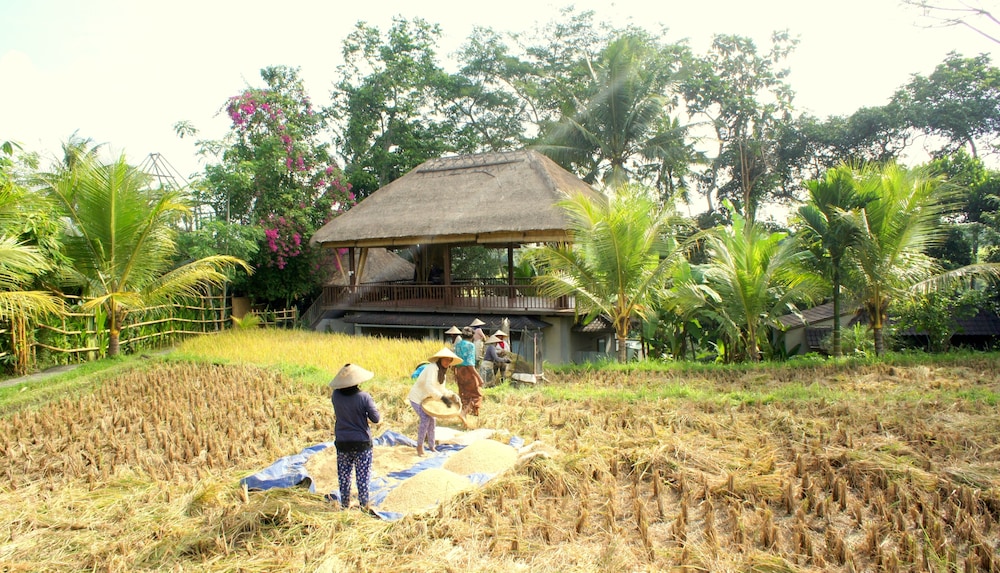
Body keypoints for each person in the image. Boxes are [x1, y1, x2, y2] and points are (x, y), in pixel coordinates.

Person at [328, 363, 381, 512]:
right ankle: (364, 505)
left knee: (344, 476)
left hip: (342, 442)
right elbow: (376, 418)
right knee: (362, 477)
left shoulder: (336, 396)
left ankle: (345, 504)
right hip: (361, 443)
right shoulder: (364, 397)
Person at [407, 348, 462, 456]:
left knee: (433, 421)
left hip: (428, 400)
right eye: (445, 360)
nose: (447, 362)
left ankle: (431, 446)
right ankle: (419, 447)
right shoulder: (432, 368)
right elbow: (429, 386)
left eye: (449, 360)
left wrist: (452, 395)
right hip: (417, 398)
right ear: (440, 359)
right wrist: (442, 398)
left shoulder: (443, 373)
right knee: (425, 419)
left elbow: (441, 389)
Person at [453, 327, 485, 421]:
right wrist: (479, 378)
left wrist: (455, 374)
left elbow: (455, 361)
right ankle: (463, 413)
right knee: (476, 395)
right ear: (472, 336)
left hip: (459, 371)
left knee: (465, 395)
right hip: (468, 372)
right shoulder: (470, 345)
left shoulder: (458, 345)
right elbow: (470, 364)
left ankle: (472, 416)